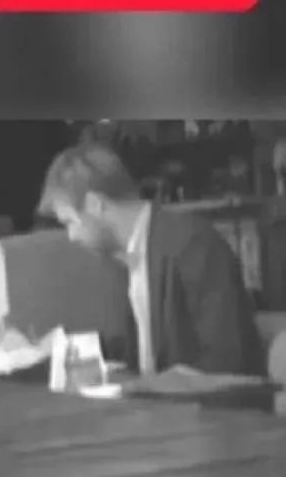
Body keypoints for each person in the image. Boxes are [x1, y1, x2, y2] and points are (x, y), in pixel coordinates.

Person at [36, 142, 265, 379]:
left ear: (96, 204)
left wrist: (157, 387)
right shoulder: (133, 254)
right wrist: (63, 347)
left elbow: (228, 357)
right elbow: (137, 355)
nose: (72, 236)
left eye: (70, 222)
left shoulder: (193, 244)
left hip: (215, 401)